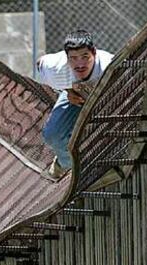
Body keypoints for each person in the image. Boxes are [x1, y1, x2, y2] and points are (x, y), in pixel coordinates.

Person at [37, 30, 114, 178]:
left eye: (85, 57)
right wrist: (68, 90)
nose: (80, 64)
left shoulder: (108, 66)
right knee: (52, 135)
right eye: (73, 58)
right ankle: (65, 164)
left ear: (95, 54)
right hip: (76, 95)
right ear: (66, 58)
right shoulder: (56, 68)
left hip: (108, 97)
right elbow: (40, 63)